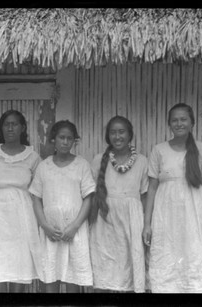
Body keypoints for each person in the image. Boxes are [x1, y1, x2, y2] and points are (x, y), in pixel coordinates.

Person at [142, 103, 202, 293]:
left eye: (183, 119)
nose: (179, 123)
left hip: (194, 216)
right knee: (165, 256)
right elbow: (152, 188)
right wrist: (147, 223)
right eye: (175, 120)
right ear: (169, 124)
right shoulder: (159, 150)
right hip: (165, 215)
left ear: (192, 123)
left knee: (194, 255)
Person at [0, 110, 42, 293]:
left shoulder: (33, 157)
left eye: (14, 124)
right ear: (1, 128)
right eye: (6, 124)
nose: (10, 128)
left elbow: (38, 192)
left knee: (19, 268)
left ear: (22, 128)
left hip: (22, 218)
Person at [29, 120, 96, 293]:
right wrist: (45, 226)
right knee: (50, 278)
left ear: (74, 141)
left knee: (72, 279)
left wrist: (74, 226)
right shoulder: (44, 166)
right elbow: (36, 198)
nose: (65, 142)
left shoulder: (82, 165)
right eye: (61, 138)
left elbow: (88, 197)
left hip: (74, 232)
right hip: (51, 232)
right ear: (53, 140)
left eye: (70, 138)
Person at [89, 116, 148, 293]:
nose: (117, 136)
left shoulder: (142, 161)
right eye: (113, 132)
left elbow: (144, 196)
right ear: (108, 136)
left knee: (130, 270)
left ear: (130, 134)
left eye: (121, 131)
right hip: (105, 221)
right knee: (104, 270)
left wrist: (146, 225)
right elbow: (92, 195)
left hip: (132, 222)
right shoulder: (99, 159)